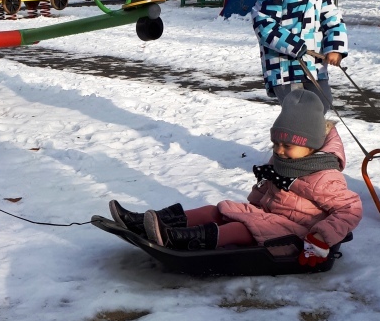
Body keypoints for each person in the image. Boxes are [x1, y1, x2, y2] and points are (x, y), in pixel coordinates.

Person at [109, 90, 362, 266]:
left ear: (311, 146)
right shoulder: (286, 159)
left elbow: (350, 209)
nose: (279, 151)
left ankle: (179, 239)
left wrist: (320, 238)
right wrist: (253, 204)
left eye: (287, 146)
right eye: (276, 143)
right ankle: (151, 222)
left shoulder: (324, 175)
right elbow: (267, 188)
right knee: (220, 210)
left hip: (298, 233)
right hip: (269, 216)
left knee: (241, 227)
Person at [252, 0, 348, 112]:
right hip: (283, 65)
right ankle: (295, 132)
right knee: (297, 111)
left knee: (323, 103)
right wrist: (294, 45)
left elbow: (333, 20)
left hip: (314, 64)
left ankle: (313, 131)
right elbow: (264, 24)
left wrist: (335, 48)